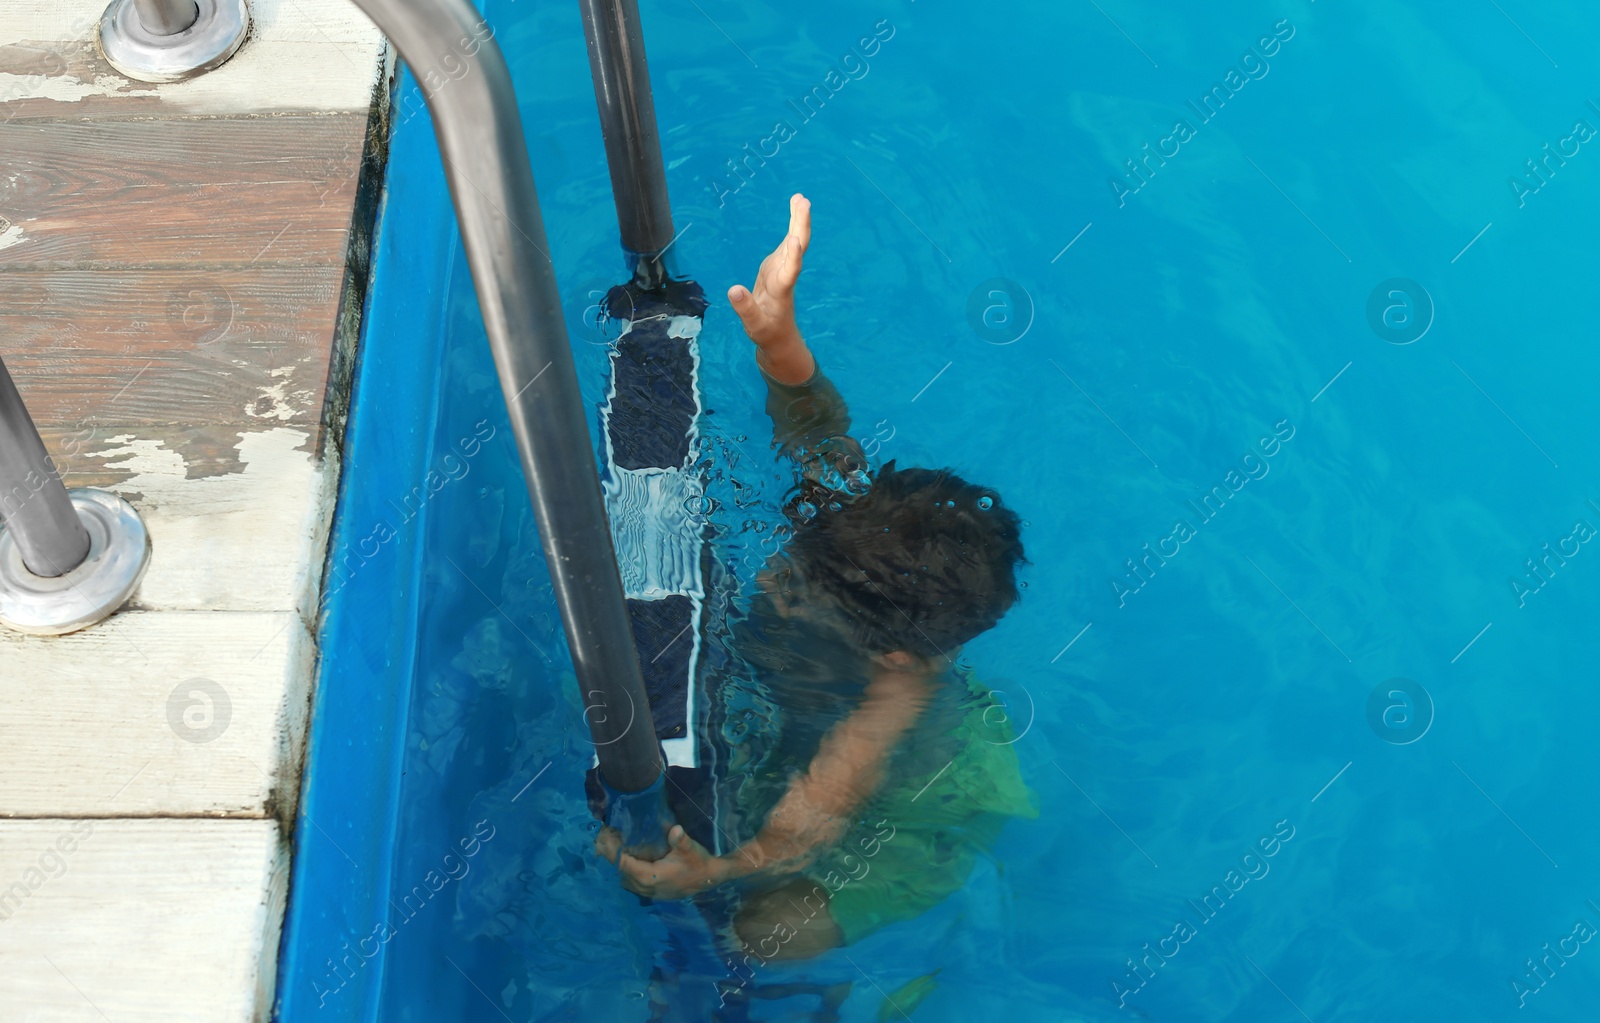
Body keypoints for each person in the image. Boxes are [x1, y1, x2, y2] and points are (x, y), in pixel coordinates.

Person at [597, 193, 1036, 961]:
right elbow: (816, 428)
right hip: (830, 686)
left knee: (762, 930)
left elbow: (814, 817)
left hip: (923, 810)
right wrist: (778, 340)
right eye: (793, 563)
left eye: (797, 587)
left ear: (892, 653)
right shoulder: (846, 533)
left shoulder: (896, 699)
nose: (772, 573)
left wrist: (717, 871)